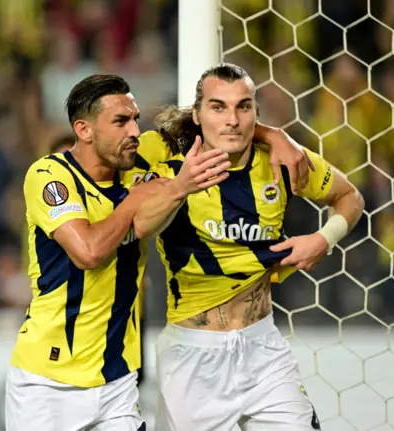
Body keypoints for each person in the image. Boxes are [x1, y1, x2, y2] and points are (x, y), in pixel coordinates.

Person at [133, 63, 365, 430]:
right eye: (217, 107)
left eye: (244, 106)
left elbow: (350, 196)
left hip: (263, 348)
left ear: (256, 112)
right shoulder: (169, 171)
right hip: (193, 356)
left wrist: (324, 238)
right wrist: (178, 189)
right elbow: (139, 223)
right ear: (197, 114)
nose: (233, 119)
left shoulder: (282, 163)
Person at [5, 74, 233, 431]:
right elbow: (89, 251)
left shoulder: (139, 157)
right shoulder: (50, 175)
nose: (134, 131)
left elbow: (219, 120)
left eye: (135, 118)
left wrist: (273, 137)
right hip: (48, 383)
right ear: (84, 130)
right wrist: (137, 201)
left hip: (117, 379)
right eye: (120, 121)